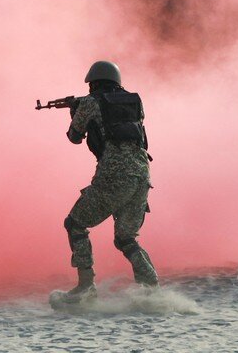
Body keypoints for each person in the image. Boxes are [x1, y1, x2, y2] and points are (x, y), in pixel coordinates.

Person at [56, 60, 158, 303]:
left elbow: (74, 137)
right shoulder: (135, 101)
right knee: (126, 238)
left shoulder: (91, 102)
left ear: (93, 83)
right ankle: (151, 288)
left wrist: (76, 111)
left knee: (75, 224)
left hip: (114, 177)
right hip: (142, 175)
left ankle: (85, 286)